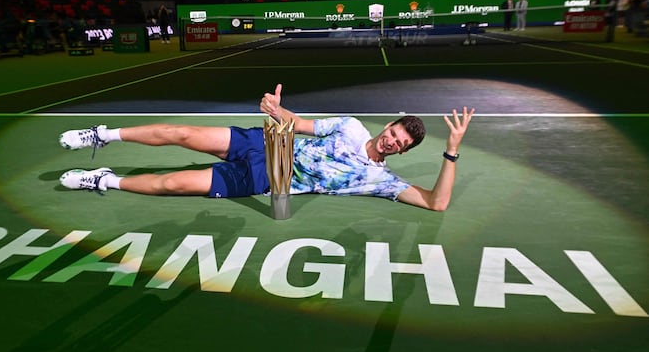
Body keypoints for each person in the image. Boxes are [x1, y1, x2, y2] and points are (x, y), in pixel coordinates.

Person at [58, 85, 475, 211]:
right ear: (388, 125)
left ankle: (104, 180)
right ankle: (102, 135)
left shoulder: (378, 179)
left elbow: (436, 203)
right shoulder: (349, 126)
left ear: (401, 152)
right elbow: (299, 125)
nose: (391, 141)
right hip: (265, 142)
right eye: (394, 132)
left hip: (269, 177)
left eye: (399, 144)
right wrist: (277, 110)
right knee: (181, 133)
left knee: (173, 183)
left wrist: (451, 150)